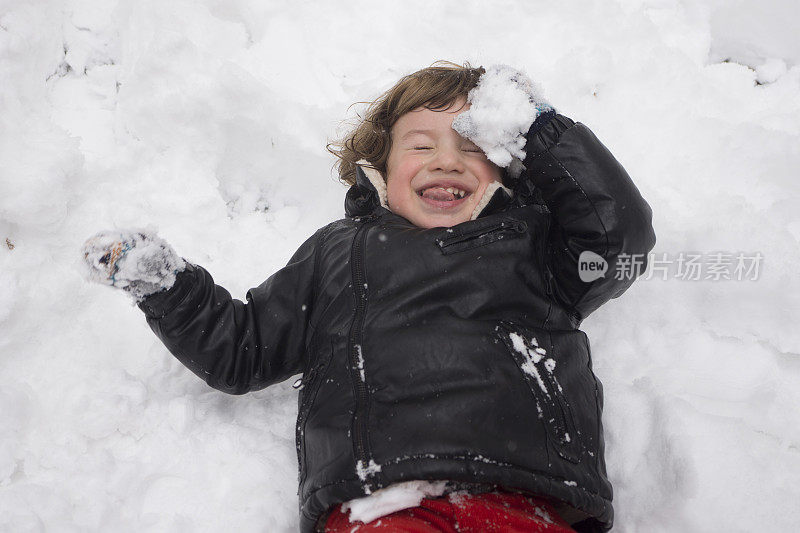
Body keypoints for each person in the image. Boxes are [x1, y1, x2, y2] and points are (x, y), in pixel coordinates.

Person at [82, 62, 656, 532]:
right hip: (381, 497)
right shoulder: (338, 252)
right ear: (380, 164)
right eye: (421, 145)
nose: (445, 160)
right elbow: (245, 348)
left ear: (507, 167)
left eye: (473, 145)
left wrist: (538, 129)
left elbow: (616, 235)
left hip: (527, 496)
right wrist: (167, 287)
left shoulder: (534, 244)